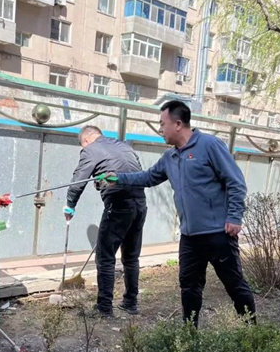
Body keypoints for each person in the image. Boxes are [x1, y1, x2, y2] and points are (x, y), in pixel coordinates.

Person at [102, 101, 256, 327]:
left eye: (162, 124)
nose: (160, 130)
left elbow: (235, 182)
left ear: (178, 124)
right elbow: (148, 177)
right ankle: (189, 334)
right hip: (190, 236)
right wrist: (118, 178)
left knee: (234, 284)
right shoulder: (170, 157)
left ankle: (252, 332)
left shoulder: (210, 145)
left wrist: (234, 217)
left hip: (218, 233)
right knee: (189, 287)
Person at [65, 125, 147, 317]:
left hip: (118, 206)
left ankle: (104, 308)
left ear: (86, 140)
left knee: (105, 258)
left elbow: (78, 180)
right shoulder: (124, 146)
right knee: (131, 257)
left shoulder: (90, 150)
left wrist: (70, 205)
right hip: (140, 205)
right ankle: (130, 303)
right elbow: (137, 173)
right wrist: (101, 181)